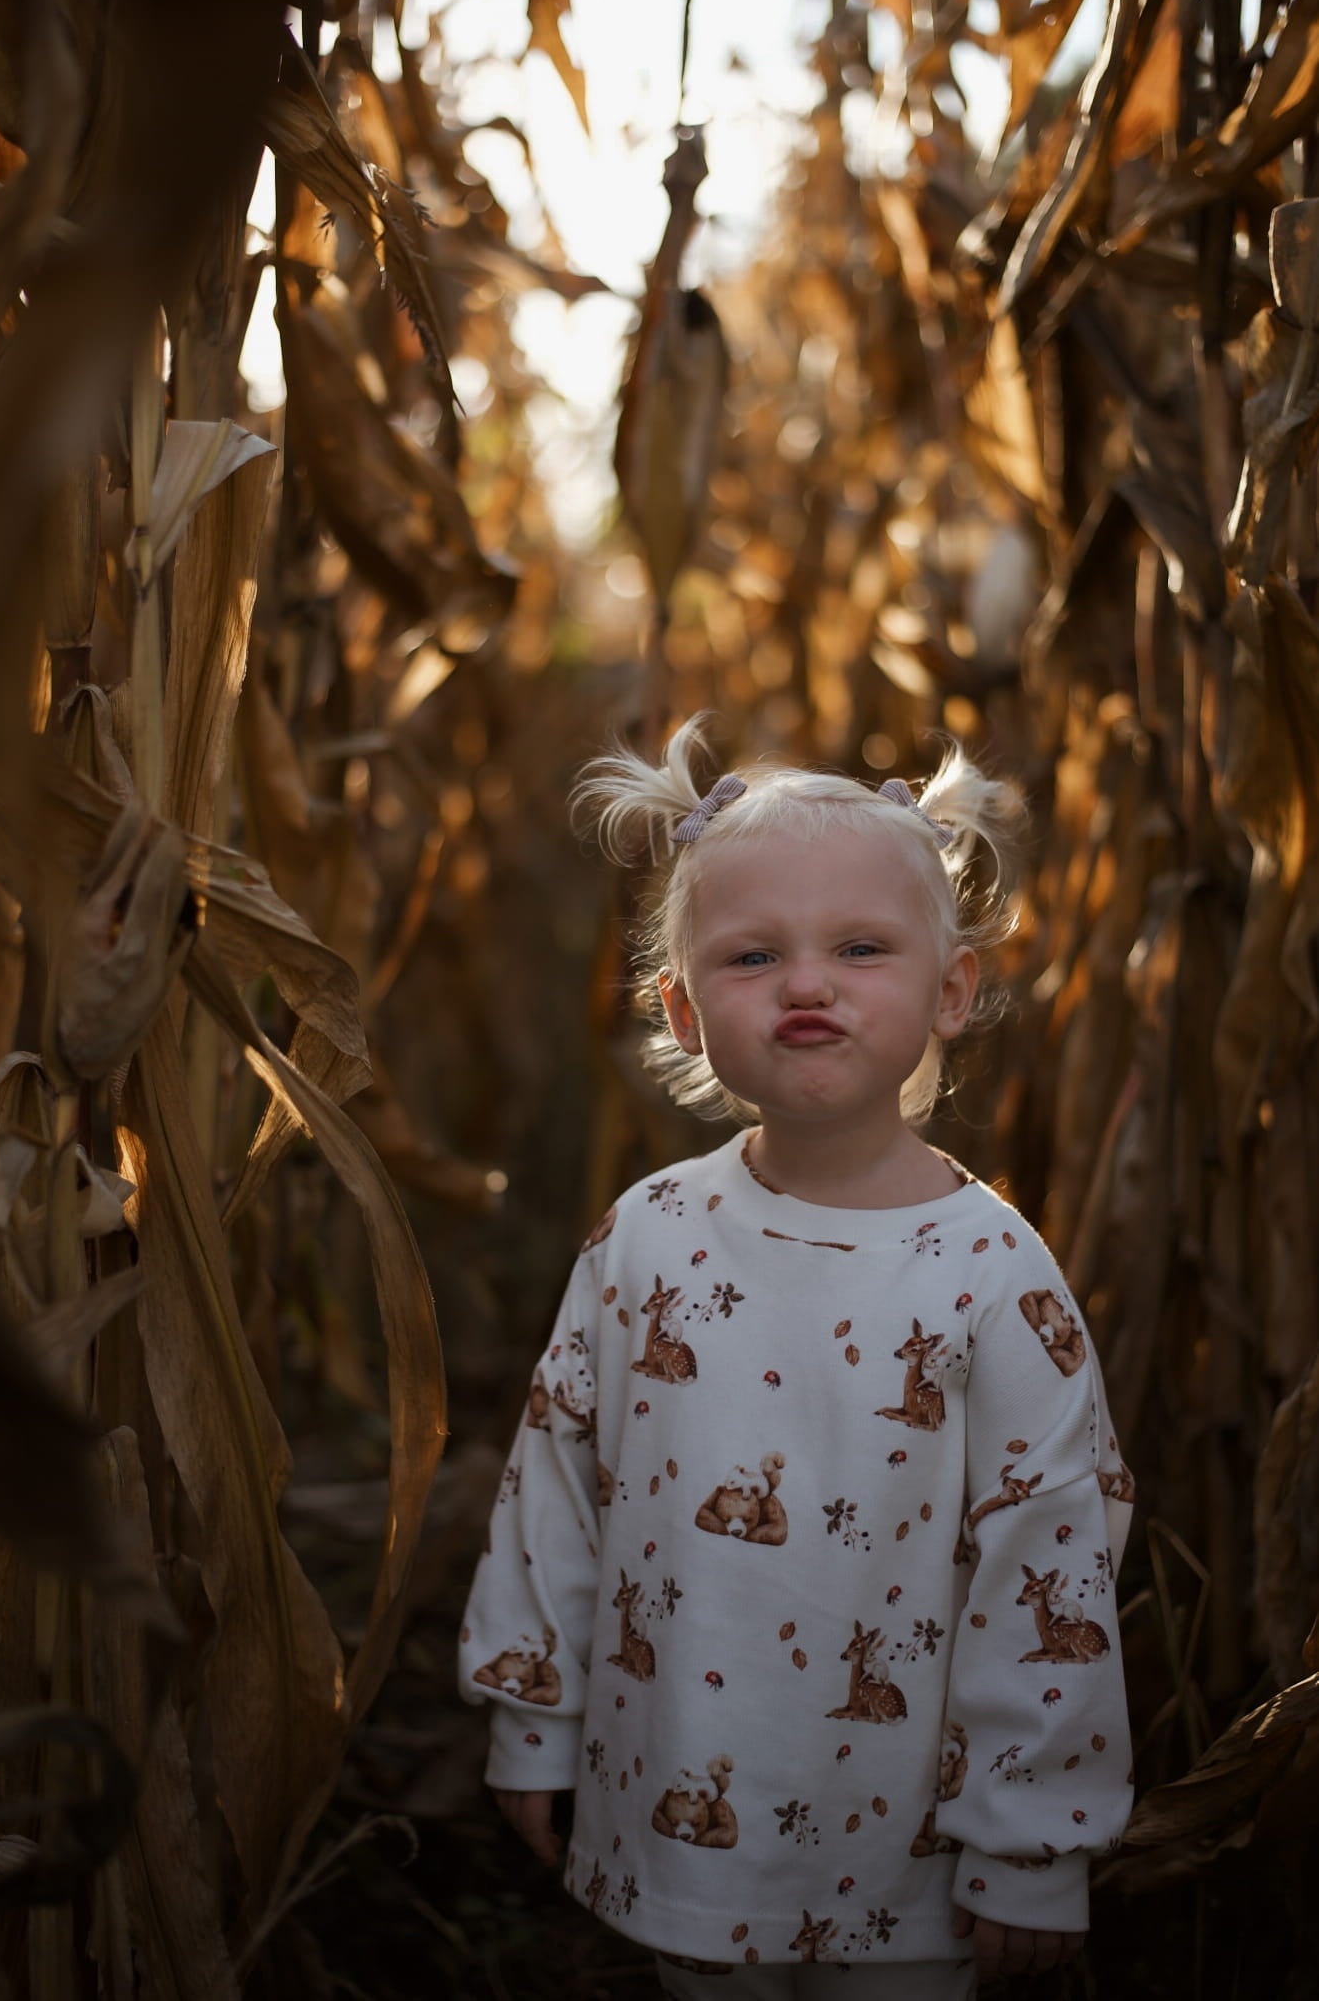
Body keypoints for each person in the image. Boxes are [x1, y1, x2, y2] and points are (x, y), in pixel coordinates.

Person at [459, 718, 1135, 1999]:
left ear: (950, 990)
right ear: (682, 1007)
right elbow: (556, 1482)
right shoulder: (647, 1240)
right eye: (754, 955)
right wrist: (535, 1719)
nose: (806, 985)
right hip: (680, 1805)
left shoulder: (996, 1275)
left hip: (913, 1856)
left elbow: (1053, 1548)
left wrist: (1033, 1841)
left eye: (859, 949)